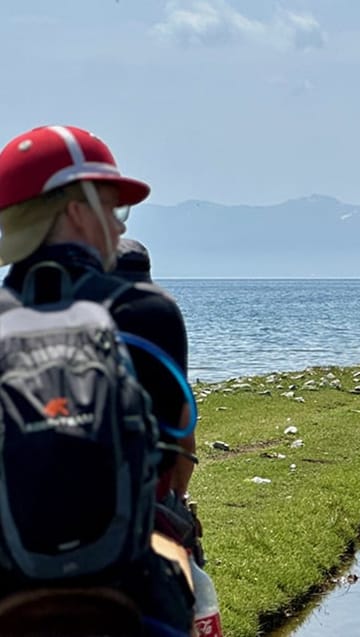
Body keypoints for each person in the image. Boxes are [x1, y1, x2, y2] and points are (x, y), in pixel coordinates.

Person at [0, 125, 195, 631]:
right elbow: (170, 458)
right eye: (111, 208)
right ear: (75, 211)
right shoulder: (149, 311)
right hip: (124, 581)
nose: (116, 224)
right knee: (190, 580)